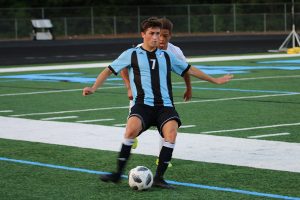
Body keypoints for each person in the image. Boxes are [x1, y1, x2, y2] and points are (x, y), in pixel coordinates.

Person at [82, 17, 233, 189]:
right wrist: (94, 87)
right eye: (152, 33)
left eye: (158, 34)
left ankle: (159, 178)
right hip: (142, 105)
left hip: (165, 106)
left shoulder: (167, 55)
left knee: (171, 134)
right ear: (143, 35)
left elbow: (189, 69)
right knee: (130, 130)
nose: (156, 37)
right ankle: (117, 174)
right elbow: (108, 71)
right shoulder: (131, 54)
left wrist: (215, 80)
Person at [120, 18, 192, 168]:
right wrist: (128, 87)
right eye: (158, 35)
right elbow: (123, 67)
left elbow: (186, 70)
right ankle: (133, 137)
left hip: (161, 96)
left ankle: (161, 157)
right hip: (141, 94)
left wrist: (189, 88)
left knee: (166, 126)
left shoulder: (175, 51)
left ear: (170, 35)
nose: (161, 39)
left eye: (165, 35)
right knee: (134, 117)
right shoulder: (141, 48)